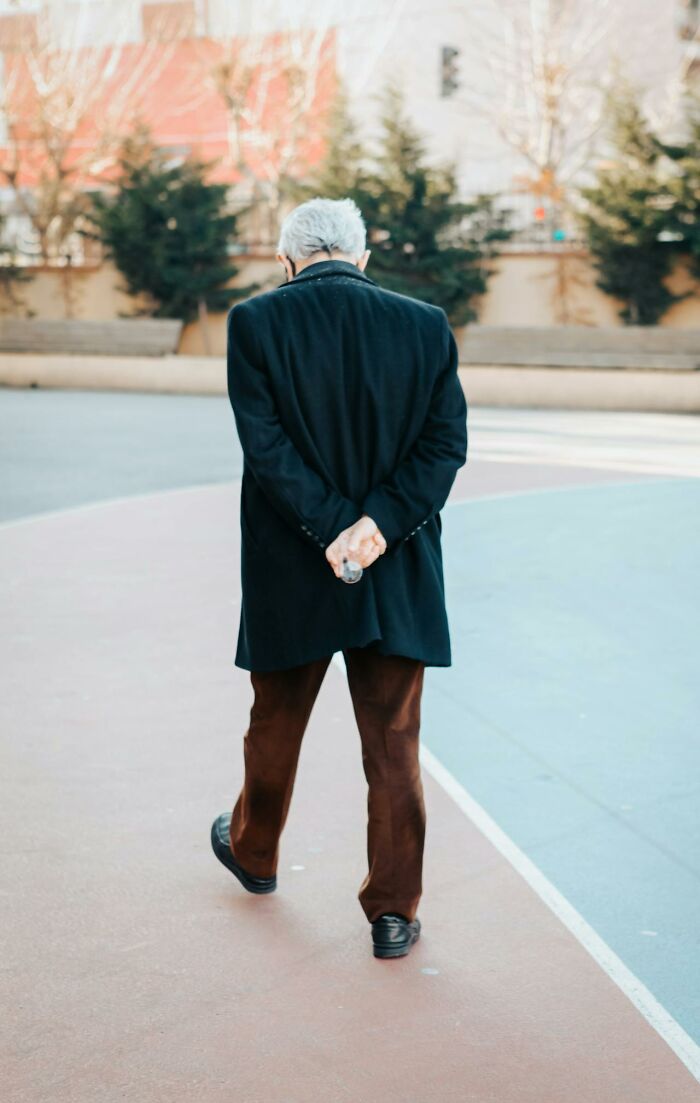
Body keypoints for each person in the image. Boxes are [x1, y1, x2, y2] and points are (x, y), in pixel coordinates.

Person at [211, 197, 468, 959]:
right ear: (361, 260)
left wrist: (329, 529)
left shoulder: (254, 323)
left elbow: (267, 448)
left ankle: (255, 853)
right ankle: (393, 910)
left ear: (287, 262)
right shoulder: (426, 325)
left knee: (274, 724)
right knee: (393, 743)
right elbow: (444, 446)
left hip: (293, 564)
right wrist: (375, 527)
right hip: (397, 563)